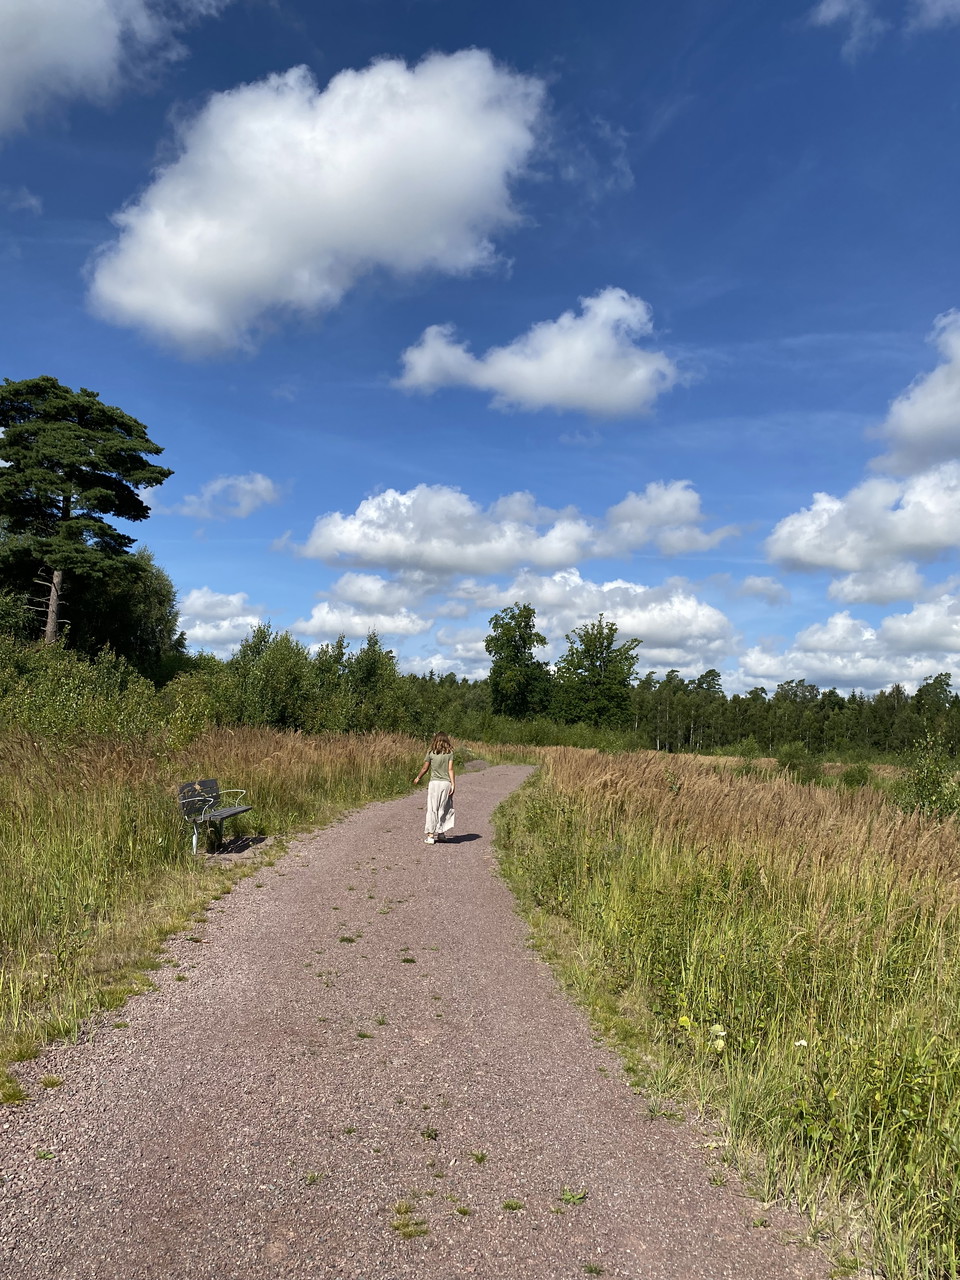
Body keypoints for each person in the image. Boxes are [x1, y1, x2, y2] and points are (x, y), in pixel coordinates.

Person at [413, 732, 455, 844]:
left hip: (434, 783)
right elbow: (450, 769)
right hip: (446, 783)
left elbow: (424, 768)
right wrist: (453, 784)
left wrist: (418, 777)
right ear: (446, 741)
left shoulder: (431, 753)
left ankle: (431, 835)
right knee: (443, 808)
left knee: (432, 809)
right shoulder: (450, 753)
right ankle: (441, 833)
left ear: (435, 740)